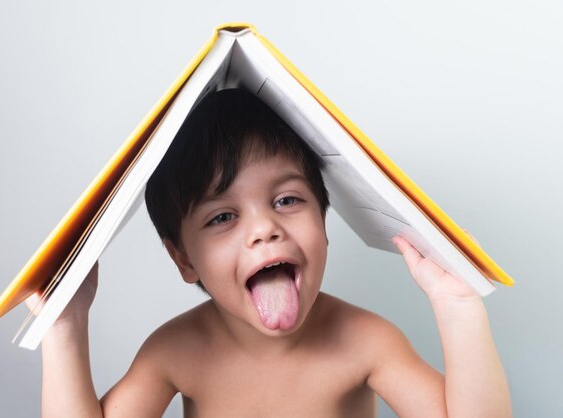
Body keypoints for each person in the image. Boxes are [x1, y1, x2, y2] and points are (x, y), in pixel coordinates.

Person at [28, 89, 512, 417]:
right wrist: (64, 328)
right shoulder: (175, 351)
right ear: (185, 260)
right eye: (222, 217)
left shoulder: (368, 341)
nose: (265, 229)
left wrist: (458, 307)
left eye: (287, 200)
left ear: (324, 223)